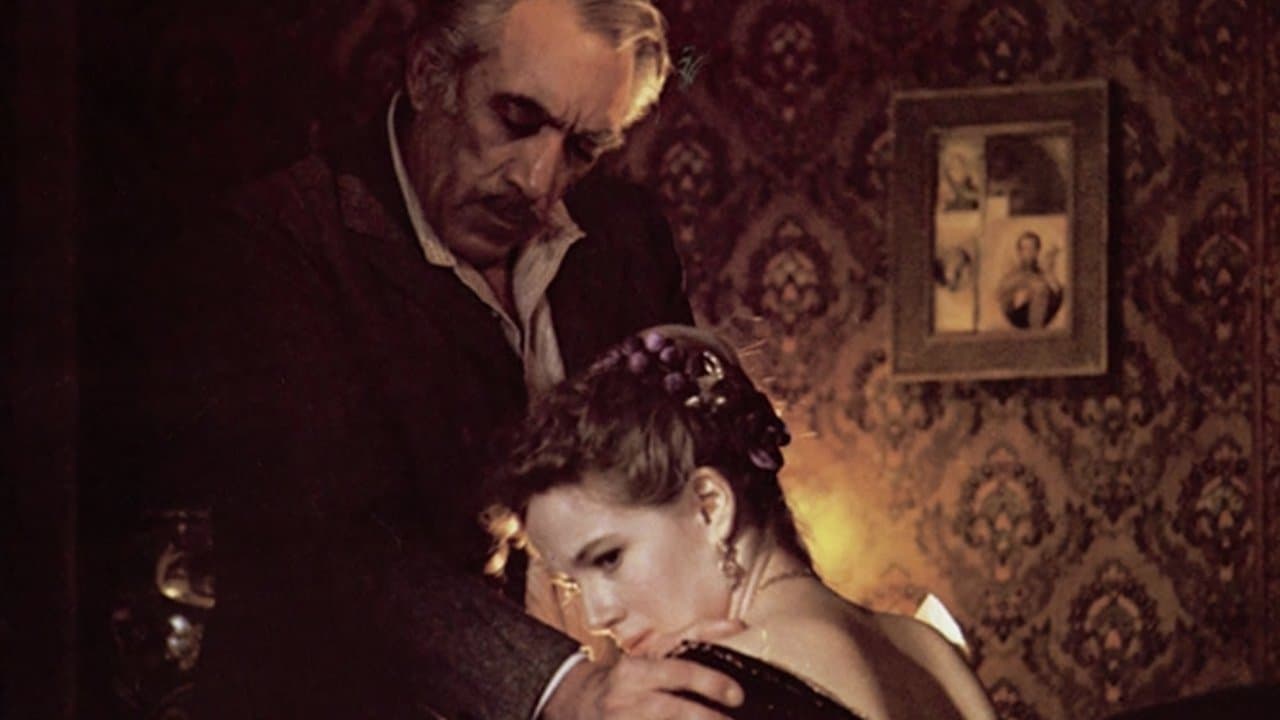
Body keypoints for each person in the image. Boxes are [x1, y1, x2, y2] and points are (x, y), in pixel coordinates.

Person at [169, 0, 746, 717]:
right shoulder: (280, 238)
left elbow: (696, 477)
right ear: (428, 74)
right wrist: (561, 688)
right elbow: (339, 548)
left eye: (582, 148)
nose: (537, 181)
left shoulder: (625, 236)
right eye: (516, 118)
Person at [485, 325, 998, 719]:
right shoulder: (928, 650)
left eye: (609, 559)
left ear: (710, 506)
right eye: (572, 585)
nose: (598, 615)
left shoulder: (700, 689)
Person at [995, 231, 1063, 329]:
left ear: (1037, 251)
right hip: (1020, 321)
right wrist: (1017, 299)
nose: (1029, 252)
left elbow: (1058, 295)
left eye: (1032, 248)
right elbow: (1002, 297)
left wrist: (1048, 272)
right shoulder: (1013, 275)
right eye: (1025, 249)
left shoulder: (1044, 273)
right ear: (1019, 252)